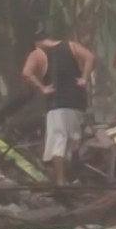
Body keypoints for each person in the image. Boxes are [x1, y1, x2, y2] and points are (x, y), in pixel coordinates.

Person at [22, 26, 95, 184]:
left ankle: (61, 181)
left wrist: (42, 88)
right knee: (74, 140)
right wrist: (84, 78)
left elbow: (26, 73)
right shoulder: (71, 45)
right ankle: (74, 177)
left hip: (57, 104)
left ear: (36, 42)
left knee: (58, 142)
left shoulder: (38, 53)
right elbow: (90, 57)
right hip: (76, 101)